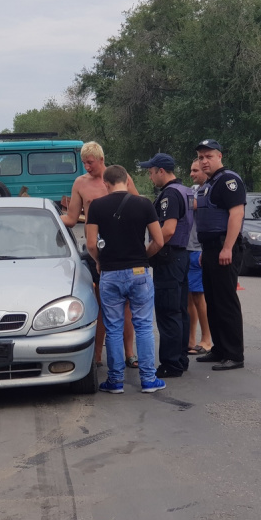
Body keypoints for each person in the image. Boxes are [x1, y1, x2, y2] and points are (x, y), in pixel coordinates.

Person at [86, 165, 166, 393]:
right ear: (127, 179)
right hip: (139, 272)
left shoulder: (97, 206)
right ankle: (149, 380)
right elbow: (159, 241)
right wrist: (143, 257)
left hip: (110, 274)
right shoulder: (144, 204)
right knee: (143, 326)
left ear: (106, 183)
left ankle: (115, 381)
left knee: (113, 328)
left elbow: (91, 244)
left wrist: (100, 261)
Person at [61, 141, 140, 368]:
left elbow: (136, 206)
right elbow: (72, 218)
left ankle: (129, 353)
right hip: (96, 250)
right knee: (100, 305)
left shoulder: (119, 177)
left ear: (101, 159)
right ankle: (96, 355)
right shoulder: (80, 183)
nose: (86, 167)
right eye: (83, 162)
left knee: (126, 307)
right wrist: (50, 216)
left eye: (90, 162)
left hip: (123, 249)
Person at [192, 140, 246, 371]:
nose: (204, 161)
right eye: (201, 157)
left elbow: (236, 214)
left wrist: (227, 248)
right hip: (211, 250)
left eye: (209, 156)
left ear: (219, 156)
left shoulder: (228, 180)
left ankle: (234, 354)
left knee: (226, 303)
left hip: (225, 248)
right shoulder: (209, 183)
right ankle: (220, 349)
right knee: (212, 302)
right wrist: (207, 251)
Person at [140, 153, 194, 379]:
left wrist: (146, 254)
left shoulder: (170, 195)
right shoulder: (185, 190)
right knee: (180, 310)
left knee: (167, 311)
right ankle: (180, 358)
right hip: (181, 256)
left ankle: (171, 364)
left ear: (161, 171)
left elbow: (168, 230)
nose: (151, 177)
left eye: (151, 173)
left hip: (169, 258)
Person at [187, 159, 212, 354]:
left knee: (199, 295)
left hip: (198, 249)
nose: (192, 174)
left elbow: (194, 206)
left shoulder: (210, 190)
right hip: (187, 248)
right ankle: (191, 339)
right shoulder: (193, 189)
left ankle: (207, 338)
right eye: (191, 170)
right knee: (189, 296)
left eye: (195, 170)